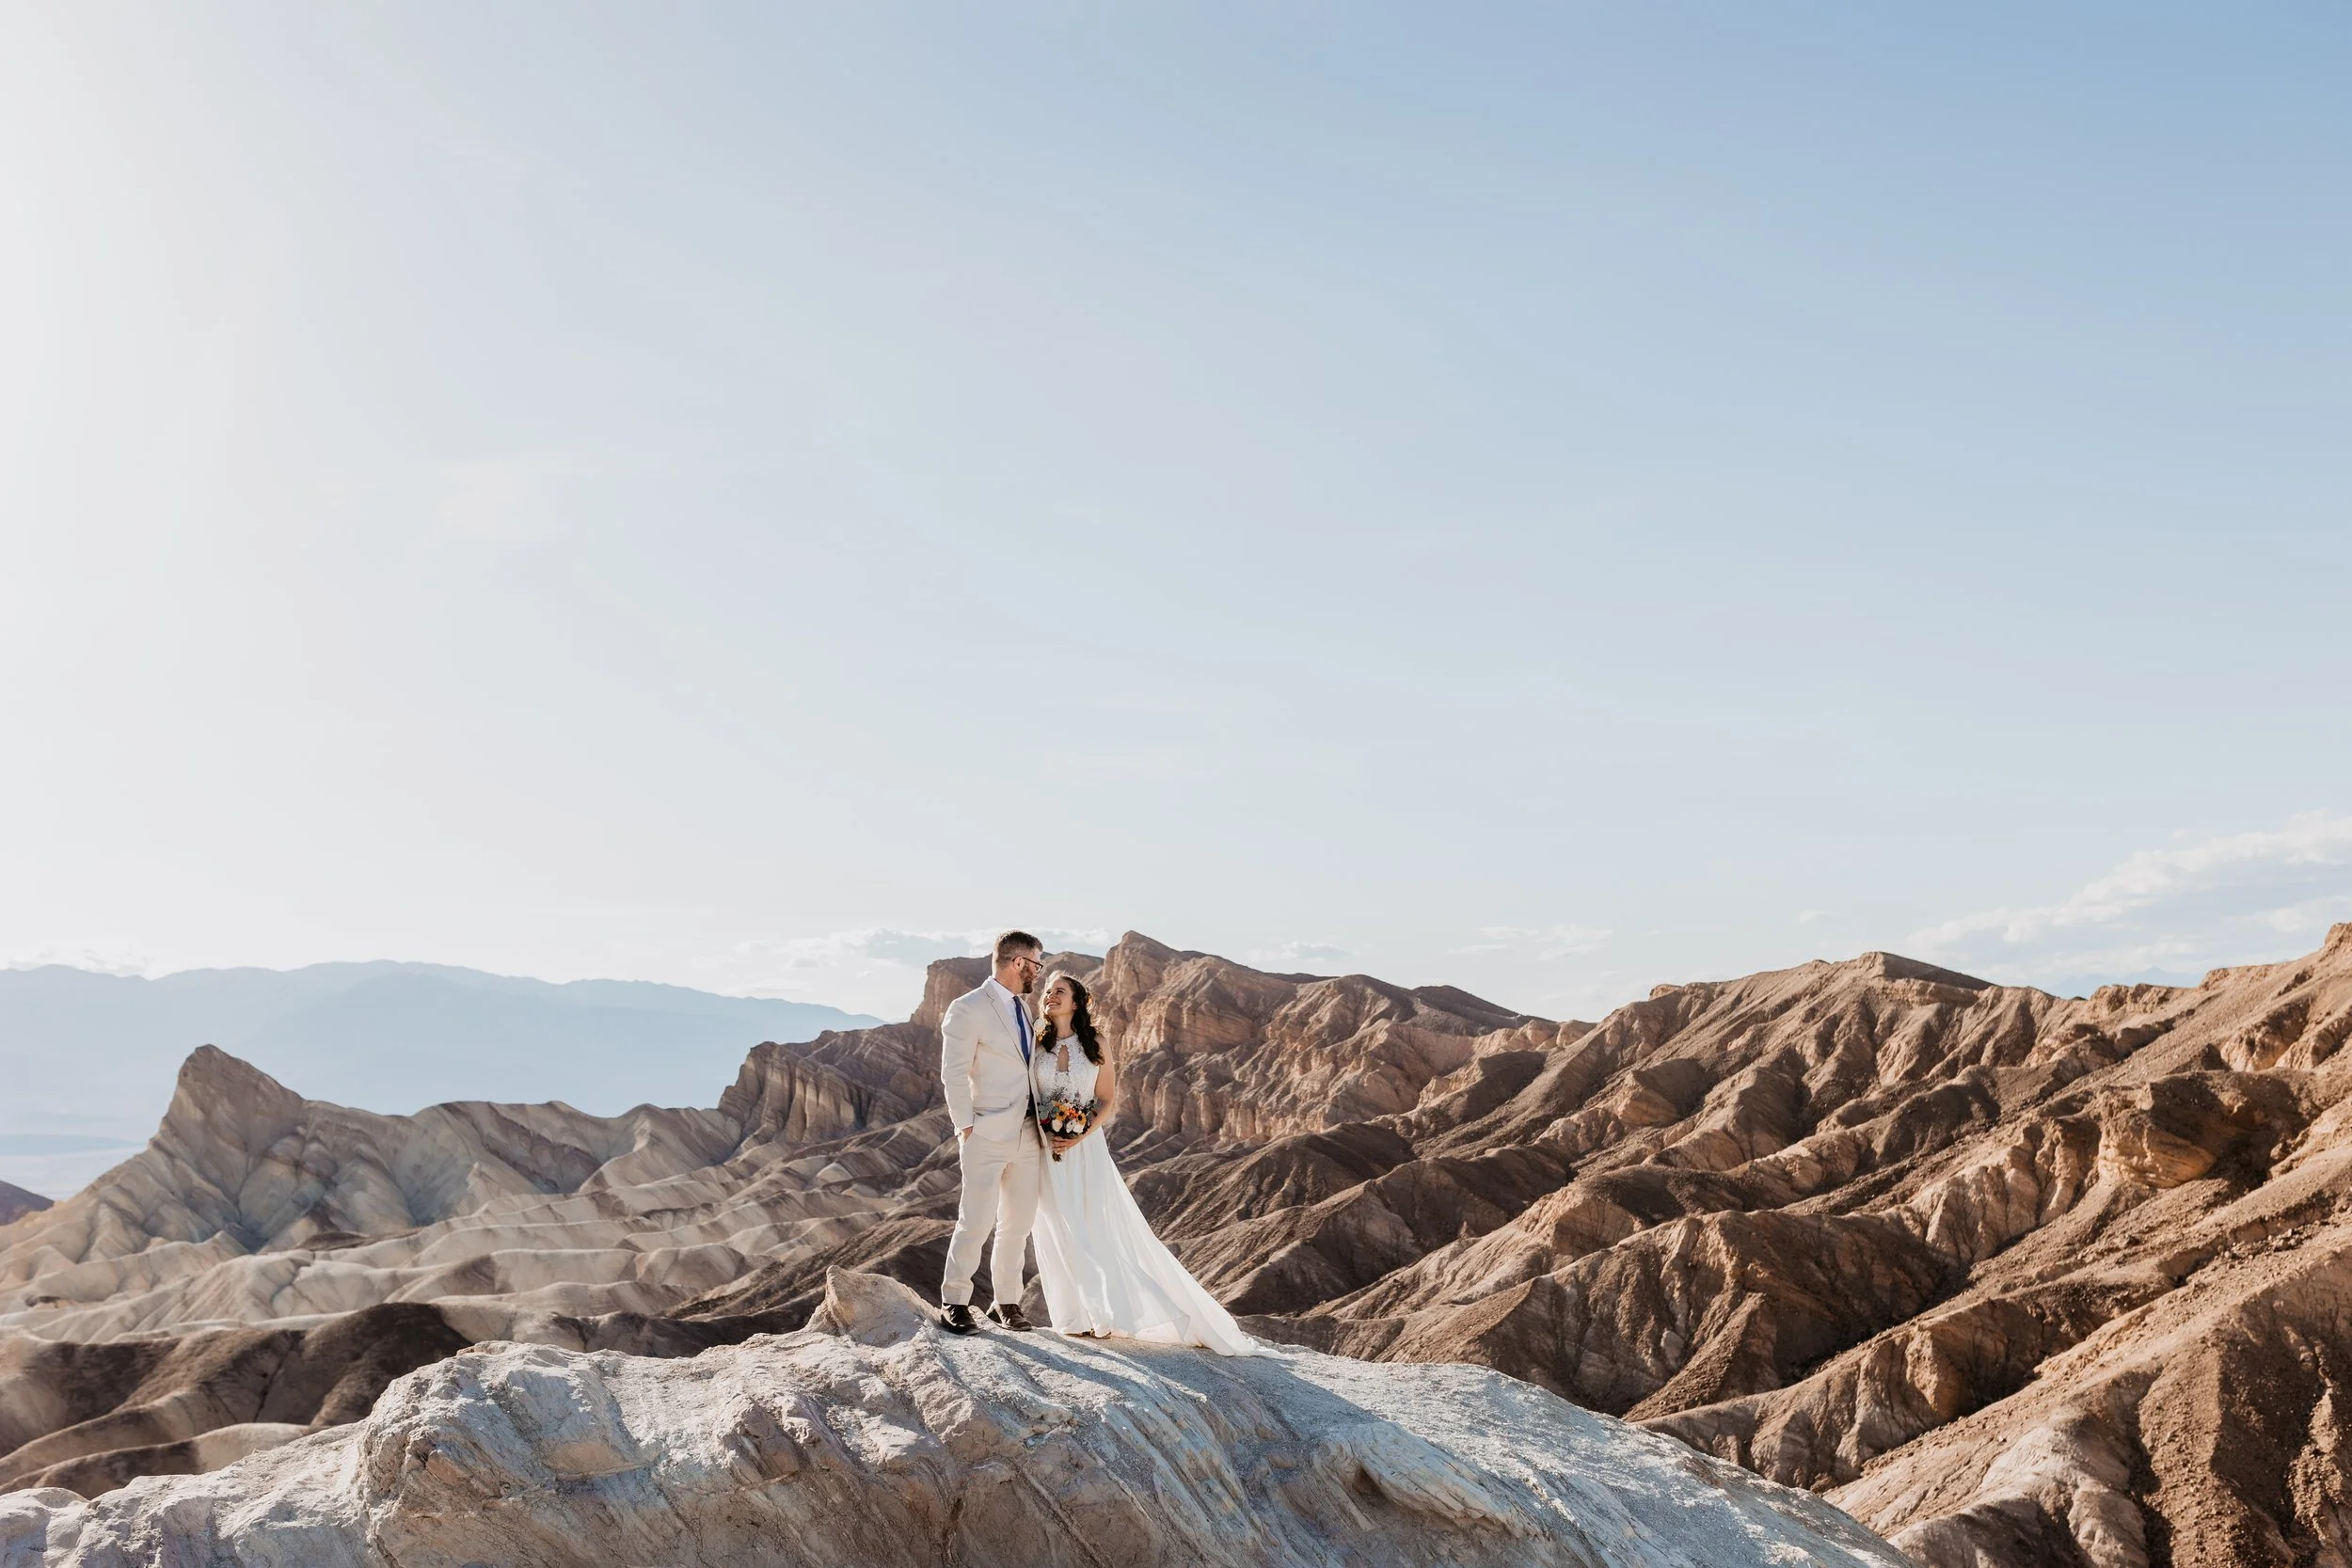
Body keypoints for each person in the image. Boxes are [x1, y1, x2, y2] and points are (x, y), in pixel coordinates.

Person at [1025, 970, 1263, 1355]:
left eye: (1060, 991)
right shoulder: (1036, 1040)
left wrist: (1078, 1135)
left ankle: (1111, 1314)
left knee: (1093, 1227)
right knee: (1056, 1229)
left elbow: (1106, 1098)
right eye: (1047, 991)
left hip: (1085, 1150)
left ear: (1077, 1002)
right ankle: (1072, 1319)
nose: (1050, 996)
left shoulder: (1095, 1042)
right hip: (1044, 1148)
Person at [936, 929, 1048, 1334]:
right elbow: (952, 1073)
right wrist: (967, 1126)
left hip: (1029, 1135)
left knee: (1017, 1224)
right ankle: (955, 1301)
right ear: (1019, 963)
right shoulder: (968, 1008)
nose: (1039, 972)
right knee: (976, 1220)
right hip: (986, 1132)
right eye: (1037, 963)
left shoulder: (1026, 1009)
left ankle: (1006, 1302)